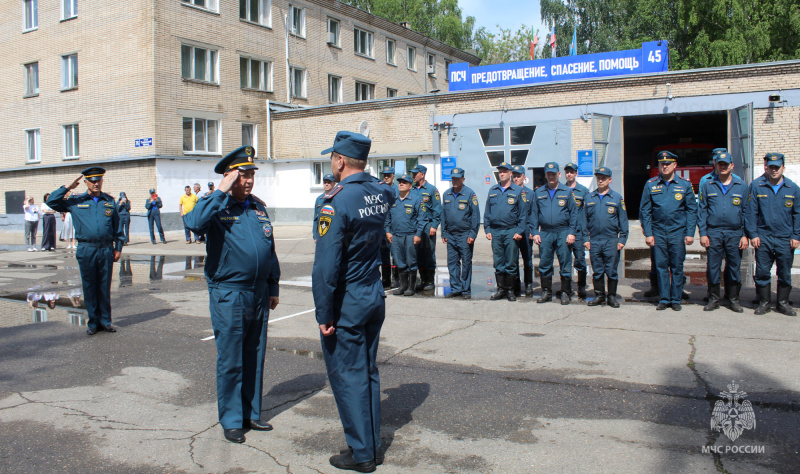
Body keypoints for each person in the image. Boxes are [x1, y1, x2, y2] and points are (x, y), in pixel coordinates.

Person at [184, 145, 281, 444]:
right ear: (229, 177)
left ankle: (251, 413)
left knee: (255, 354)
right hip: (229, 292)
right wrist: (220, 192)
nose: (249, 180)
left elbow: (269, 248)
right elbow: (193, 223)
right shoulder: (216, 207)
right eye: (242, 175)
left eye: (251, 174)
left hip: (258, 293)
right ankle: (231, 419)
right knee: (231, 359)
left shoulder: (257, 207)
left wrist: (273, 286)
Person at [312, 131, 394, 472]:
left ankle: (362, 454)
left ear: (340, 160)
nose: (331, 162)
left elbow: (326, 265)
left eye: (332, 157)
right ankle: (371, 446)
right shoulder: (379, 192)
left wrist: (324, 312)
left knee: (348, 376)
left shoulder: (336, 201)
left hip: (347, 300)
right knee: (368, 373)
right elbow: (384, 187)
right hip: (373, 294)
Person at [46, 167, 124, 335]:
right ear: (86, 182)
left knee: (104, 286)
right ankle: (93, 323)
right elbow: (51, 202)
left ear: (102, 181)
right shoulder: (76, 201)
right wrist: (68, 187)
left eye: (99, 180)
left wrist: (118, 248)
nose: (96, 184)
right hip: (87, 248)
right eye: (92, 181)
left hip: (105, 249)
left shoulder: (109, 201)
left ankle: (105, 321)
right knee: (89, 287)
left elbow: (118, 227)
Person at [639, 151, 698, 311]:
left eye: (668, 164)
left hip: (677, 232)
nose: (665, 166)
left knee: (677, 266)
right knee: (661, 266)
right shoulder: (651, 184)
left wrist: (690, 233)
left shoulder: (685, 185)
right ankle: (664, 299)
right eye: (662, 164)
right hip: (658, 233)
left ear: (674, 165)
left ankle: (676, 299)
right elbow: (645, 211)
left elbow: (692, 210)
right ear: (658, 166)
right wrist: (649, 233)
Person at [745, 152, 800, 316]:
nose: (774, 170)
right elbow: (751, 213)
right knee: (762, 271)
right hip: (763, 237)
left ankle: (782, 303)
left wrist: (796, 235)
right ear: (766, 168)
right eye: (771, 167)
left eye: (777, 167)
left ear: (783, 167)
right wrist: (753, 234)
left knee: (784, 272)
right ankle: (764, 302)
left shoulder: (793, 188)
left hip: (785, 238)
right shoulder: (756, 186)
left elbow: (798, 214)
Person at [698, 152, 748, 313]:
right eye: (720, 164)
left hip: (735, 233)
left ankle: (733, 299)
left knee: (734, 267)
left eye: (726, 164)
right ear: (716, 166)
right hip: (714, 232)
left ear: (732, 166)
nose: (723, 167)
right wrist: (703, 233)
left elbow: (747, 212)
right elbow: (702, 211)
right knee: (713, 267)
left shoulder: (742, 186)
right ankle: (713, 299)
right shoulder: (708, 185)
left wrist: (745, 235)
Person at [529, 162, 578, 304]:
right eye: (549, 174)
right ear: (545, 175)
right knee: (544, 263)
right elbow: (534, 214)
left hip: (563, 232)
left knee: (565, 263)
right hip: (545, 232)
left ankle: (566, 292)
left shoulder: (567, 191)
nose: (551, 176)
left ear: (559, 174)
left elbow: (574, 214)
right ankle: (546, 292)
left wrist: (572, 232)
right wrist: (535, 232)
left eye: (554, 173)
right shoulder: (538, 192)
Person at [585, 167, 629, 308]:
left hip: (611, 240)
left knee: (611, 271)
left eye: (604, 178)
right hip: (595, 240)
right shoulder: (589, 197)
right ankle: (599, 296)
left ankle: (611, 297)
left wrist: (622, 239)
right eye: (599, 177)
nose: (601, 180)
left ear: (610, 180)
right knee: (597, 270)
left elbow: (623, 221)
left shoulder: (617, 198)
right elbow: (583, 221)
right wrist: (586, 239)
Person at [484, 162, 526, 302]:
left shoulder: (518, 191)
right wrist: (487, 228)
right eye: (500, 171)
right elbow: (487, 212)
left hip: (511, 230)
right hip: (496, 231)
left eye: (504, 171)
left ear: (510, 173)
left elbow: (523, 214)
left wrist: (519, 231)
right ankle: (501, 289)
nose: (501, 173)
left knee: (511, 262)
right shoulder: (493, 190)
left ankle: (510, 290)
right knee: (498, 261)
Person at [385, 173, 428, 296]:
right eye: (400, 182)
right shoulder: (393, 200)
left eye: (404, 182)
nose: (401, 184)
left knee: (411, 261)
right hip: (396, 236)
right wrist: (388, 231)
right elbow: (387, 218)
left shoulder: (416, 200)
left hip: (410, 235)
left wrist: (418, 234)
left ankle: (411, 286)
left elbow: (422, 219)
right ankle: (403, 286)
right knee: (399, 261)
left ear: (410, 186)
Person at [441, 167, 480, 299]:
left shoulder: (470, 194)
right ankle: (455, 288)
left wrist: (472, 234)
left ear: (463, 179)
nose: (455, 181)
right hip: (451, 235)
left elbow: (475, 216)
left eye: (458, 178)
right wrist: (444, 233)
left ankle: (465, 290)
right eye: (453, 178)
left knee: (466, 262)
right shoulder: (446, 194)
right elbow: (443, 215)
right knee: (452, 263)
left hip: (465, 235)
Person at [410, 164, 441, 291]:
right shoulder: (411, 189)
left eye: (415, 173)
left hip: (428, 226)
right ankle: (422, 279)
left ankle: (430, 280)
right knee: (418, 253)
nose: (413, 175)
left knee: (429, 253)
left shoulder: (431, 190)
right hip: (415, 226)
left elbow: (437, 210)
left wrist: (434, 226)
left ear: (422, 174)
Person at [564, 162, 590, 299]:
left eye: (571, 172)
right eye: (567, 172)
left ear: (576, 174)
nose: (569, 174)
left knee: (580, 260)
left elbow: (588, 211)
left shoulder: (583, 191)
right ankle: (566, 288)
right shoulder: (560, 190)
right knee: (565, 260)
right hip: (564, 231)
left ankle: (581, 287)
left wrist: (588, 230)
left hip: (578, 232)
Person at [510, 165, 534, 297]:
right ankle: (516, 285)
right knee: (514, 259)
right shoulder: (510, 191)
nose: (516, 178)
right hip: (514, 231)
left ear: (524, 177)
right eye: (514, 176)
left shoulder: (530, 193)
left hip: (526, 231)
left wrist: (532, 230)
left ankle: (529, 284)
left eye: (519, 176)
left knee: (527, 259)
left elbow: (533, 214)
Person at [379, 166, 400, 288]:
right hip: (382, 226)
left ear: (393, 177)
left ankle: (397, 279)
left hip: (394, 226)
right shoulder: (380, 189)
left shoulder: (398, 189)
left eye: (388, 175)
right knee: (383, 254)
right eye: (384, 175)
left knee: (395, 254)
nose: (386, 177)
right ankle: (385, 280)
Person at [313, 174, 336, 241]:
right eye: (325, 182)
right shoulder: (319, 199)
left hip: (332, 234)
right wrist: (315, 235)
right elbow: (315, 218)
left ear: (334, 184)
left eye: (329, 182)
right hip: (321, 233)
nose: (326, 184)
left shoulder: (336, 198)